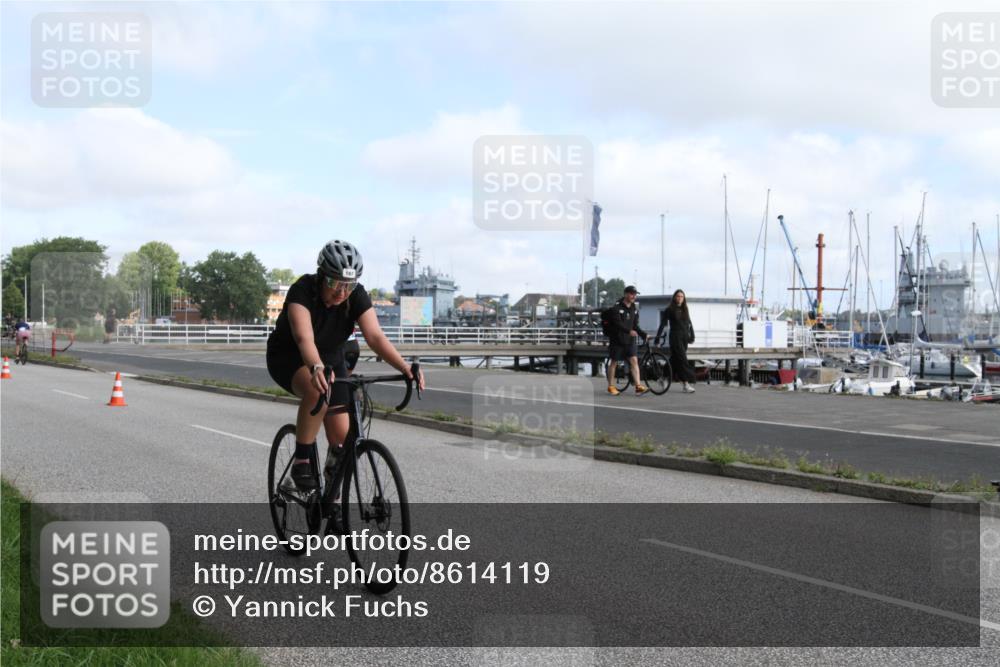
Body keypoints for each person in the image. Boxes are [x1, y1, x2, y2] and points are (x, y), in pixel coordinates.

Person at [266, 240, 424, 492]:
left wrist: (405, 367)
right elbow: (303, 338)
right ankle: (302, 460)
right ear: (321, 276)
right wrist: (316, 366)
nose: (341, 292)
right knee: (318, 390)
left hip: (331, 357)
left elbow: (375, 337)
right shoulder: (303, 290)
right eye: (335, 283)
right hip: (291, 355)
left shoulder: (357, 295)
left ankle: (333, 504)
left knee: (341, 442)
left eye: (348, 285)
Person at [605, 285, 648, 396]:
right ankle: (611, 386)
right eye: (631, 294)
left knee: (634, 360)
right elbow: (617, 324)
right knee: (614, 362)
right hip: (617, 340)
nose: (634, 296)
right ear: (626, 294)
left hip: (630, 340)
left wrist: (644, 335)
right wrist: (629, 331)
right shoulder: (616, 308)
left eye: (635, 294)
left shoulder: (634, 309)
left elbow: (635, 326)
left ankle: (638, 386)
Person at [656, 289, 696, 393]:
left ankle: (663, 378)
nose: (679, 298)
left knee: (674, 360)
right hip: (675, 338)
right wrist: (657, 338)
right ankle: (686, 384)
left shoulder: (685, 309)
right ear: (674, 297)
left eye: (681, 296)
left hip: (684, 338)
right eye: (678, 296)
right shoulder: (670, 309)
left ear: (684, 298)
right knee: (683, 360)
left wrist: (692, 336)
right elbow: (662, 324)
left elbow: (689, 324)